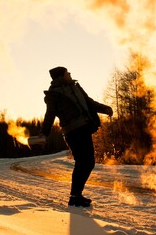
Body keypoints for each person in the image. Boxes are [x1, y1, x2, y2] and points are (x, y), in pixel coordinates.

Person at [39, 66, 113, 207]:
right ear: (61, 76)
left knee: (88, 162)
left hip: (84, 129)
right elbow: (49, 116)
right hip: (73, 132)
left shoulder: (75, 87)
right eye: (67, 73)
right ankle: (75, 197)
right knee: (83, 162)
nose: (70, 74)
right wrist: (44, 133)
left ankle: (76, 196)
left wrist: (104, 108)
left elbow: (89, 102)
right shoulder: (54, 95)